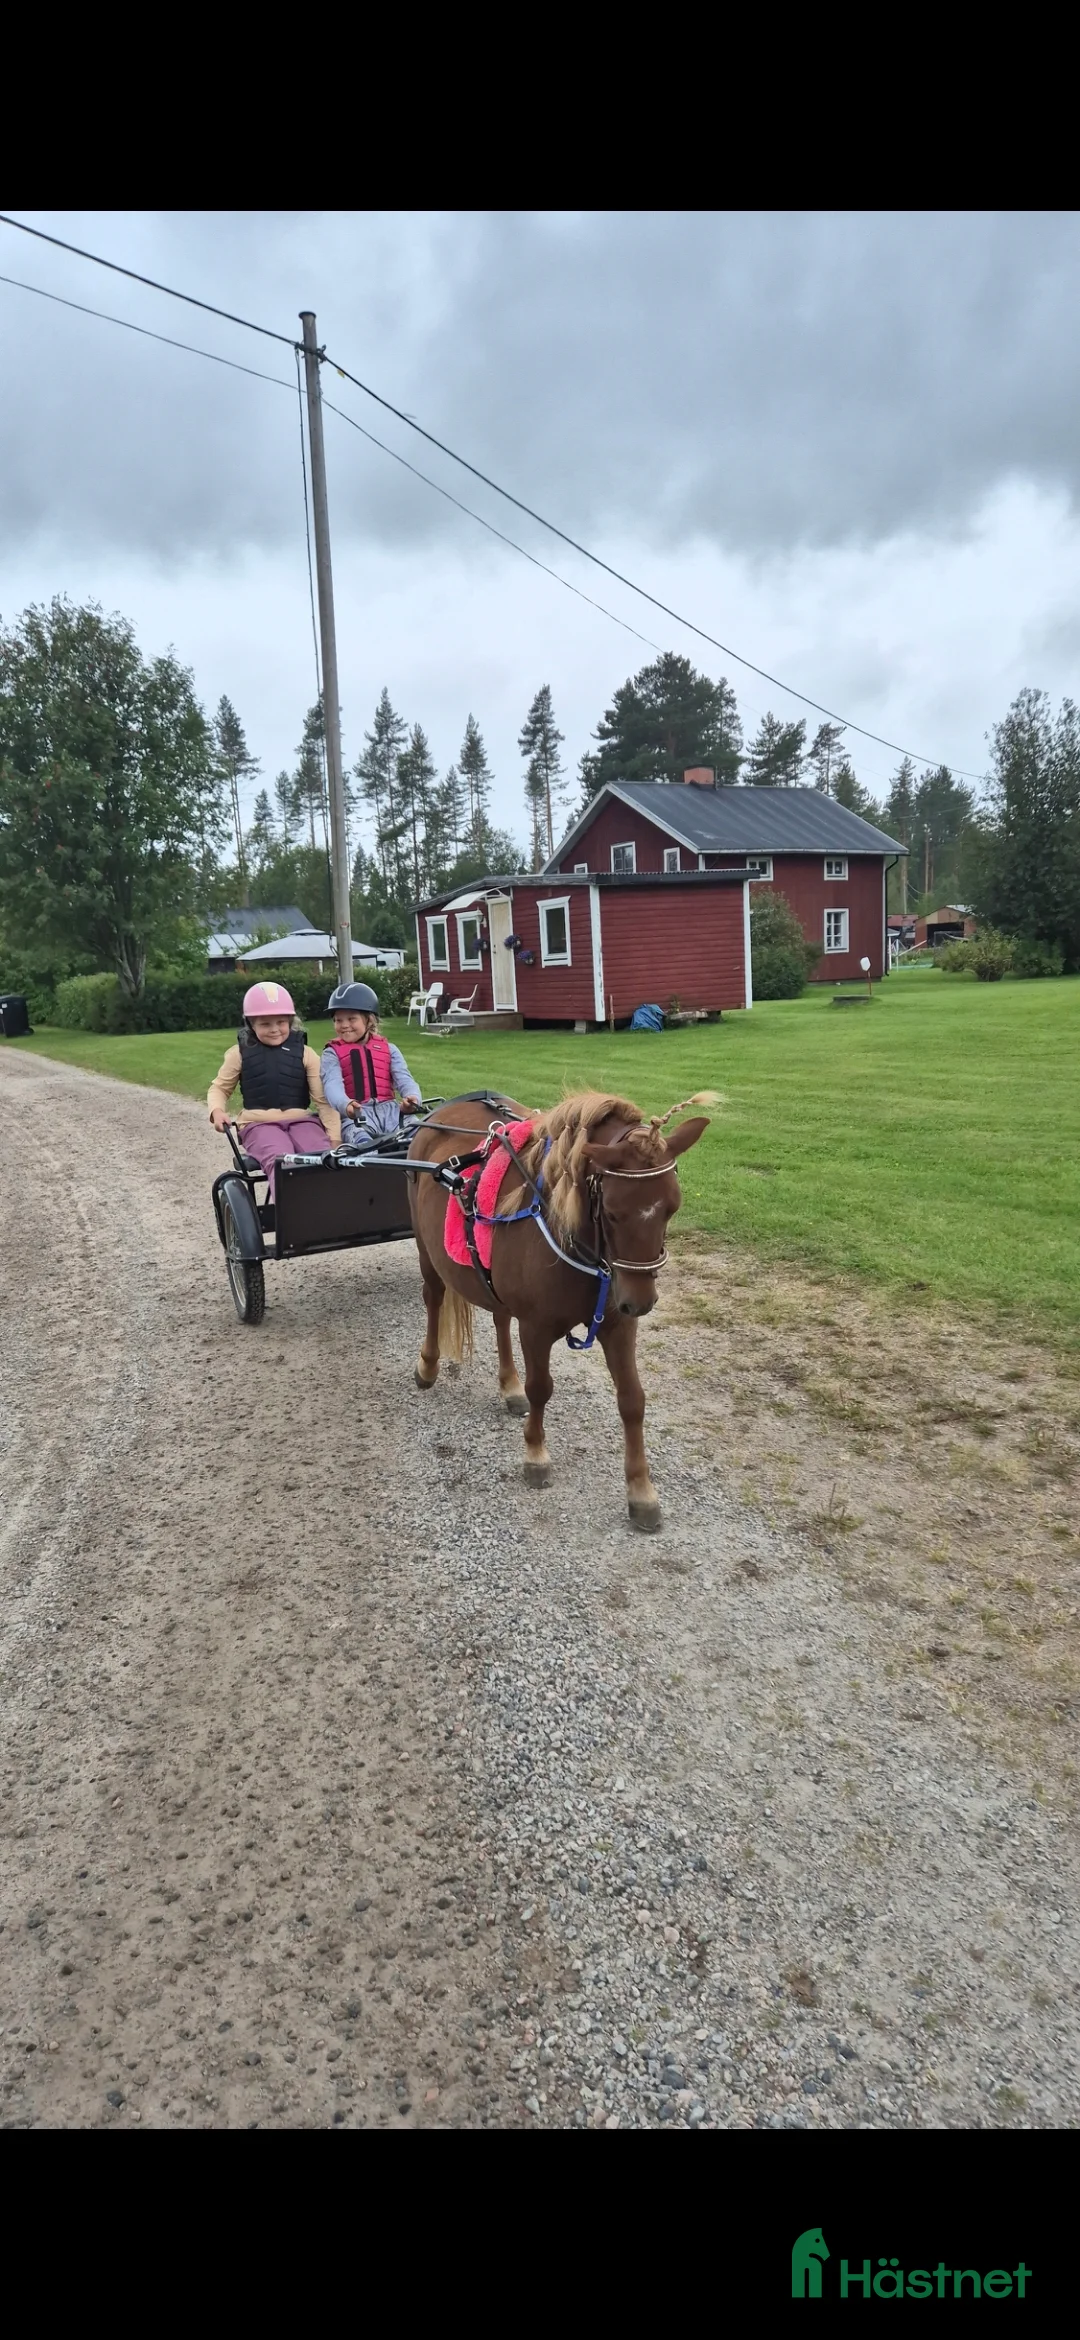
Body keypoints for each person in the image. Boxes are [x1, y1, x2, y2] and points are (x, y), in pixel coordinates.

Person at [207, 982, 340, 1194]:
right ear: (251, 1025)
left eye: (281, 1022)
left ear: (290, 1021)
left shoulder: (306, 1054)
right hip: (259, 1124)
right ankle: (292, 1212)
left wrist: (334, 1138)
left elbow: (323, 1101)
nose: (275, 1029)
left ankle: (328, 1207)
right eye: (265, 1024)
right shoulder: (239, 1053)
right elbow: (219, 1089)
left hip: (302, 1121)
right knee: (282, 1162)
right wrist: (217, 1111)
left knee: (323, 1159)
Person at [319, 981, 423, 1152]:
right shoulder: (331, 1054)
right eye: (338, 1020)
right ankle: (372, 1165)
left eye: (351, 1019)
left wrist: (413, 1098)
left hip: (393, 1114)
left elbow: (405, 1078)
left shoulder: (389, 1049)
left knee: (423, 1138)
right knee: (364, 1147)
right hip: (356, 1117)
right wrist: (346, 1105)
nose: (344, 1025)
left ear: (369, 1020)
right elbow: (332, 1085)